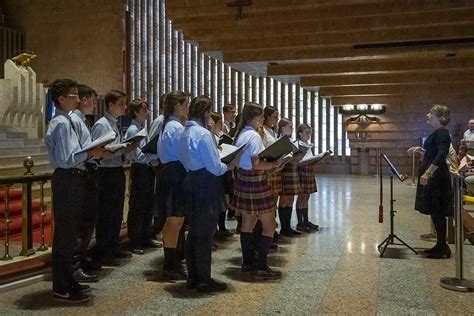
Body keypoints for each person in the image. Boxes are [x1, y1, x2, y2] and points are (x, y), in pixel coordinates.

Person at [45, 79, 106, 303]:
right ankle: (61, 286)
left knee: (71, 236)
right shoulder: (61, 123)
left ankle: (68, 280)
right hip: (68, 178)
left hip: (73, 178)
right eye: (73, 96)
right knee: (66, 236)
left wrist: (90, 152)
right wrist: (91, 152)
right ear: (61, 99)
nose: (78, 99)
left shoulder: (65, 121)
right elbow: (67, 158)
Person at [179, 96, 232, 293]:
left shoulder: (185, 132)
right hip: (206, 183)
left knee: (193, 233)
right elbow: (215, 167)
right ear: (206, 113)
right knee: (206, 235)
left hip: (191, 180)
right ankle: (204, 279)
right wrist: (229, 165)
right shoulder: (202, 134)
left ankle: (193, 277)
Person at [231, 102, 283, 280]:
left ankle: (247, 264)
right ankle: (261, 265)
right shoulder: (253, 136)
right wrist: (275, 164)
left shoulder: (242, 134)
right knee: (270, 226)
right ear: (255, 117)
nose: (263, 119)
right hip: (255, 182)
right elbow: (256, 164)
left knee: (248, 224)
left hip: (244, 180)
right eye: (261, 116)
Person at [70, 84, 111, 283]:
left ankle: (82, 258)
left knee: (87, 222)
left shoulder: (81, 120)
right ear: (84, 100)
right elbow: (77, 151)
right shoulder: (73, 120)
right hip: (80, 173)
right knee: (80, 223)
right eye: (93, 100)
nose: (95, 104)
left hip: (88, 171)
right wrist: (94, 152)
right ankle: (75, 264)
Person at [91, 90, 131, 266]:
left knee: (115, 212)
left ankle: (113, 246)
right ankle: (104, 251)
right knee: (106, 213)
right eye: (121, 103)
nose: (125, 106)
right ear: (110, 105)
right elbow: (100, 150)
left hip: (116, 170)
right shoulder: (102, 124)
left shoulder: (115, 123)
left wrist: (124, 147)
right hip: (105, 172)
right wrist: (120, 147)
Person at [412, 104, 454, 259]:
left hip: (437, 178)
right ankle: (440, 244)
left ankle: (442, 246)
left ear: (439, 116)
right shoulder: (437, 132)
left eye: (430, 113)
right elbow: (433, 154)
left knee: (438, 211)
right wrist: (421, 151)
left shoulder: (442, 132)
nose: (427, 115)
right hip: (435, 177)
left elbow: (442, 155)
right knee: (435, 212)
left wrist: (428, 173)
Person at [156, 91, 189, 279]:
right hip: (175, 172)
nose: (187, 109)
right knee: (174, 220)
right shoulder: (175, 127)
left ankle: (173, 260)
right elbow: (183, 153)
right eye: (185, 105)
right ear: (177, 106)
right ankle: (170, 263)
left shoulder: (169, 124)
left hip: (171, 172)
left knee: (175, 221)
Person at [125, 99, 161, 255]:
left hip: (147, 169)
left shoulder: (142, 127)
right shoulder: (133, 129)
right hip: (140, 169)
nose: (147, 112)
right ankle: (135, 241)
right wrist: (151, 158)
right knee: (138, 206)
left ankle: (145, 236)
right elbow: (136, 154)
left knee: (148, 204)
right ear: (135, 112)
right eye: (144, 110)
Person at [210, 111, 234, 239]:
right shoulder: (209, 136)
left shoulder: (218, 134)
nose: (221, 125)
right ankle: (215, 230)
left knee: (225, 199)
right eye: (219, 122)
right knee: (218, 201)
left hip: (224, 170)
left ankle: (222, 226)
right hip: (217, 171)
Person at [277, 118, 302, 237]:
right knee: (284, 199)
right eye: (289, 126)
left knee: (291, 198)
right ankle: (283, 227)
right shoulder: (279, 140)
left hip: (292, 169)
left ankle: (288, 226)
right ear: (282, 128)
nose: (292, 129)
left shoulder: (292, 141)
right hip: (283, 171)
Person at [295, 124, 319, 232]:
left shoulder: (308, 144)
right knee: (301, 197)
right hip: (301, 171)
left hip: (308, 170)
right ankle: (300, 222)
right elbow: (297, 160)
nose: (309, 135)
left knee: (307, 196)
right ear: (300, 134)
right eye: (307, 133)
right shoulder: (298, 144)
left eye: (310, 133)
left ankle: (306, 220)